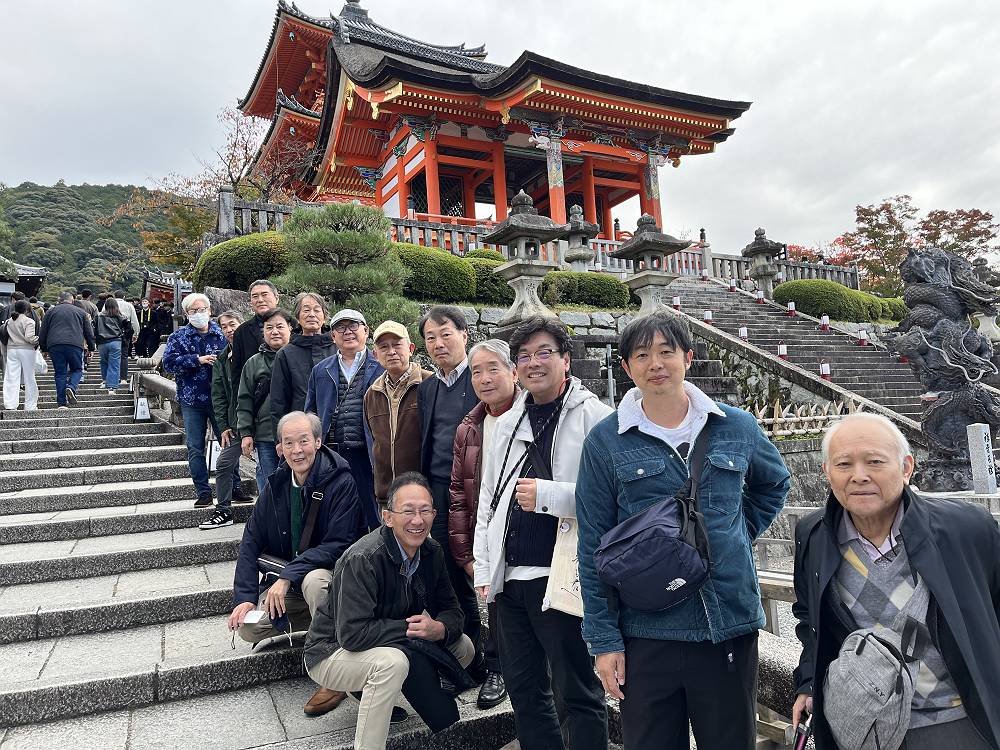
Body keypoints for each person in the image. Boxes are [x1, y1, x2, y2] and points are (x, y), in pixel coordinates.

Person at [575, 311, 791, 750]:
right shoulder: (606, 441)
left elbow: (774, 483)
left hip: (726, 623)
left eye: (666, 351)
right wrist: (604, 640)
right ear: (626, 367)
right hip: (645, 630)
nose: (655, 363)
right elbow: (593, 543)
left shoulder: (736, 426)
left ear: (688, 358)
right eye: (642, 355)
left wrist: (734, 536)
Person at [791, 413, 1000, 749]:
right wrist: (807, 682)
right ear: (827, 472)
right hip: (869, 724)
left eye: (875, 462)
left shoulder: (966, 529)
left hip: (959, 719)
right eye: (844, 464)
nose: (859, 476)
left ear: (906, 467)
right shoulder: (814, 536)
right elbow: (810, 617)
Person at [474, 316, 612, 750]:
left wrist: (550, 495)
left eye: (544, 352)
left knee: (577, 692)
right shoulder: (509, 422)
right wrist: (485, 567)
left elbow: (615, 498)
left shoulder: (595, 417)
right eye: (524, 356)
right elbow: (489, 500)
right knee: (525, 692)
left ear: (566, 360)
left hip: (563, 578)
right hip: (510, 580)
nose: (533, 363)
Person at [304, 472, 476, 750]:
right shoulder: (363, 557)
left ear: (434, 515)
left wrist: (439, 628)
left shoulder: (431, 551)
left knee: (463, 646)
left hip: (389, 642)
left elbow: (452, 610)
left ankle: (383, 688)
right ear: (388, 517)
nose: (417, 520)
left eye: (425, 511)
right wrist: (410, 630)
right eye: (408, 511)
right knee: (392, 664)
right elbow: (352, 635)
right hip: (331, 652)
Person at [229, 411, 367, 717]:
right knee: (249, 628)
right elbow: (251, 540)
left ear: (318, 441)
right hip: (291, 584)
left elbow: (338, 544)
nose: (297, 450)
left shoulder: (340, 480)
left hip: (333, 580)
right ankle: (321, 625)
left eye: (304, 441)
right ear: (279, 448)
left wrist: (287, 576)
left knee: (314, 581)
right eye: (288, 443)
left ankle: (336, 672)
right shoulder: (277, 483)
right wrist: (245, 597)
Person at [449, 339, 519, 710]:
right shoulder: (469, 428)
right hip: (485, 532)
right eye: (477, 371)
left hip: (528, 533)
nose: (485, 378)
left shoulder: (531, 415)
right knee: (493, 605)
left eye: (493, 368)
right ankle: (496, 668)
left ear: (514, 371)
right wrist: (465, 554)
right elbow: (458, 493)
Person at [418, 305, 482, 673]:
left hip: (480, 489)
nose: (439, 343)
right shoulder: (428, 387)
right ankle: (471, 655)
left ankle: (498, 661)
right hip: (440, 489)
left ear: (464, 335)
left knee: (487, 571)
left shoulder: (481, 377)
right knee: (453, 570)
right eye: (431, 338)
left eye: (446, 334)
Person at [305, 309, 383, 530]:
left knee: (373, 513)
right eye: (341, 327)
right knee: (338, 514)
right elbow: (310, 412)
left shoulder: (381, 365)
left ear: (366, 331)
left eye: (354, 326)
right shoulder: (321, 370)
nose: (348, 332)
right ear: (333, 336)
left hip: (368, 453)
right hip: (333, 454)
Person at [162, 293, 228, 506]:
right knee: (195, 446)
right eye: (193, 311)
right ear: (186, 314)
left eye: (202, 310)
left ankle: (233, 487)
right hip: (191, 399)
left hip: (220, 399)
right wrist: (197, 360)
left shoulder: (222, 334)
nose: (199, 314)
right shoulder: (178, 337)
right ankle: (203, 492)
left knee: (228, 444)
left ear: (210, 311)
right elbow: (168, 363)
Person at [363, 320, 432, 508]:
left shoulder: (429, 384)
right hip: (386, 496)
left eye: (397, 345)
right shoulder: (372, 394)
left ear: (410, 348)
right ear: (375, 355)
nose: (391, 351)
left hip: (424, 493)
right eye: (384, 347)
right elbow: (373, 443)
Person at [201, 309, 251, 529]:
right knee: (223, 464)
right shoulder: (222, 358)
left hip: (261, 420)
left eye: (233, 324)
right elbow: (219, 395)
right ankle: (223, 510)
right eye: (224, 327)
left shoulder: (255, 349)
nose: (229, 330)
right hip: (237, 421)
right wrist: (223, 426)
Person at [238, 308, 293, 493]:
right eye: (269, 328)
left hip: (297, 435)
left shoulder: (298, 357)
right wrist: (246, 433)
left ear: (290, 328)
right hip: (265, 435)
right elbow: (244, 399)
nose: (274, 331)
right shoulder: (254, 363)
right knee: (270, 486)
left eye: (279, 326)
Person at [270, 292, 334, 438]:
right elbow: (278, 401)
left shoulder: (338, 348)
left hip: (336, 430)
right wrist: (279, 440)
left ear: (324, 317)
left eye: (317, 310)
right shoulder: (285, 354)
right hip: (299, 431)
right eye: (306, 310)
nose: (312, 314)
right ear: (298, 317)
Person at [38, 290, 96, 408]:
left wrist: (43, 348)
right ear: (72, 300)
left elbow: (43, 331)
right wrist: (91, 347)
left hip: (55, 345)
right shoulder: (81, 312)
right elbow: (88, 332)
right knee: (77, 369)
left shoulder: (50, 312)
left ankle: (61, 403)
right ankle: (71, 387)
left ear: (58, 300)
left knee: (60, 373)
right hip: (75, 344)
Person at [231, 280, 280, 395]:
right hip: (255, 396)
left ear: (276, 298)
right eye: (255, 296)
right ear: (250, 302)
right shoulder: (241, 332)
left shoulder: (293, 326)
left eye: (264, 294)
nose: (260, 300)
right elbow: (237, 373)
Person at [2, 300, 39, 411]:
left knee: (11, 377)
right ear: (27, 310)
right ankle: (30, 406)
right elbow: (29, 338)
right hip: (26, 350)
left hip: (12, 350)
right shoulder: (29, 321)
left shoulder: (9, 321)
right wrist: (38, 340)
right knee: (29, 378)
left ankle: (10, 404)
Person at [94, 298, 125, 394]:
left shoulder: (99, 316)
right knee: (114, 364)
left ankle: (105, 381)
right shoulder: (120, 316)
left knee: (103, 361)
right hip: (115, 341)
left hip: (102, 342)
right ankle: (111, 387)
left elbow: (94, 329)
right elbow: (129, 328)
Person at [113, 290, 139, 385]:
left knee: (113, 356)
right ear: (124, 297)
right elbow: (134, 321)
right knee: (124, 355)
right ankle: (123, 378)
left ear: (114, 296)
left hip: (111, 333)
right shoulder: (129, 305)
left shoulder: (108, 305)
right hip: (125, 332)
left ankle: (112, 378)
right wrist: (136, 333)